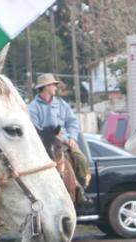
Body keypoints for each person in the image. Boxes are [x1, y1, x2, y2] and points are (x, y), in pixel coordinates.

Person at [28, 73, 92, 203]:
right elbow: (34, 128)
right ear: (46, 87)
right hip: (44, 143)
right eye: (53, 85)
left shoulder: (62, 104)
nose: (56, 88)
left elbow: (72, 123)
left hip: (63, 141)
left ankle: (81, 190)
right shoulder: (33, 107)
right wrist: (51, 135)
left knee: (80, 159)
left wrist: (72, 138)